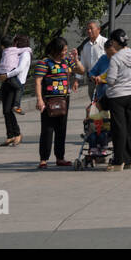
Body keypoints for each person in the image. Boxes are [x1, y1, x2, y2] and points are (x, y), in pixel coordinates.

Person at [33, 36, 82, 168]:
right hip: (49, 99)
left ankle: (60, 157)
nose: (65, 52)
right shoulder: (44, 62)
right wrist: (39, 99)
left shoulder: (67, 61)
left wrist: (76, 60)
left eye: (66, 50)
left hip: (64, 99)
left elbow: (81, 71)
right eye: (63, 50)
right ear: (56, 49)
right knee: (47, 130)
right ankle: (43, 159)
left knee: (61, 129)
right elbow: (38, 81)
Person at [101, 29, 131, 171]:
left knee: (118, 129)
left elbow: (110, 80)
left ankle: (118, 161)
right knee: (127, 127)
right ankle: (129, 159)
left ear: (116, 42)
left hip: (117, 96)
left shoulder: (116, 58)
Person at [0, 35, 31, 147]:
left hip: (15, 82)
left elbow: (19, 69)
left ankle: (17, 134)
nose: (13, 45)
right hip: (8, 81)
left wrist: (6, 75)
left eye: (15, 42)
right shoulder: (12, 52)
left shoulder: (25, 54)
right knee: (6, 111)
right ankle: (10, 135)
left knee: (8, 110)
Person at [80, 21, 107, 93]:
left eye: (91, 28)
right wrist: (77, 79)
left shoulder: (105, 43)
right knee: (94, 102)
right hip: (91, 81)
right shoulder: (86, 46)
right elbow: (83, 64)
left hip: (104, 81)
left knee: (104, 102)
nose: (89, 31)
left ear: (98, 29)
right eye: (88, 29)